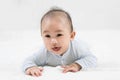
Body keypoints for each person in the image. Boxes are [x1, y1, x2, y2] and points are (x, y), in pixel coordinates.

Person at [22, 7, 97, 77]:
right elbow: (28, 60)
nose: (53, 41)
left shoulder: (77, 49)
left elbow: (92, 59)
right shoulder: (44, 52)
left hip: (81, 45)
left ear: (71, 36)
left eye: (59, 34)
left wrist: (77, 65)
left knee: (85, 46)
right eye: (47, 36)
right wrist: (31, 67)